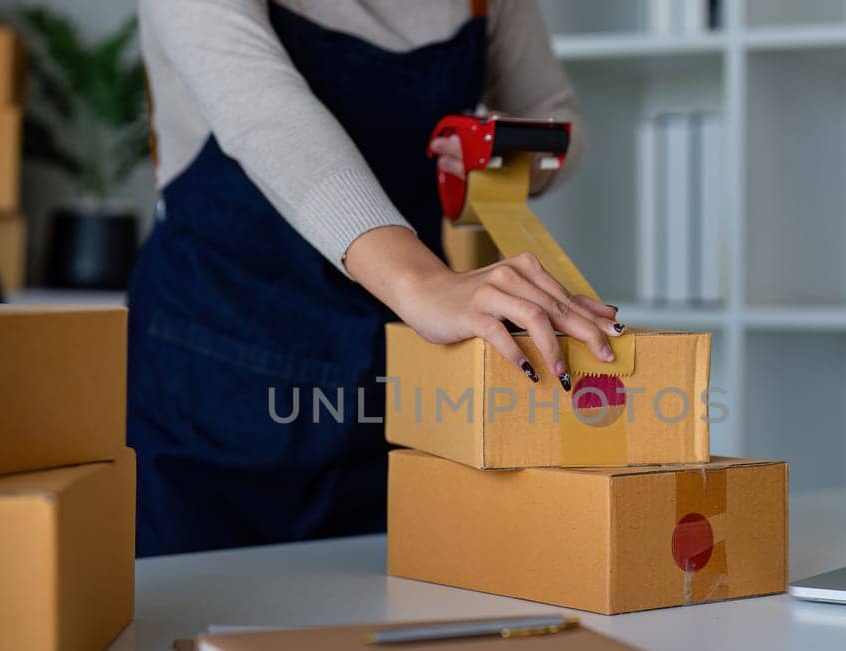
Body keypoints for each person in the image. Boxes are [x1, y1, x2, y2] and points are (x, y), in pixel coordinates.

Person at [131, 0, 623, 556]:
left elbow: (559, 119)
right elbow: (268, 116)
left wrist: (503, 154)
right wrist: (424, 284)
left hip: (398, 387)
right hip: (213, 385)